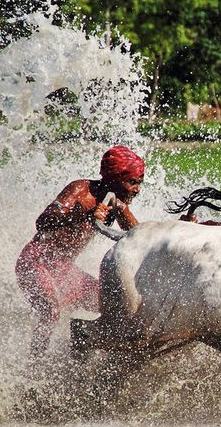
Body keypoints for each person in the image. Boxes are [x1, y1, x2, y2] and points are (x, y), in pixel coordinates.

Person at [15, 145, 145, 357]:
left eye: (139, 183)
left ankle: (80, 353)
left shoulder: (117, 204)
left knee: (113, 306)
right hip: (35, 262)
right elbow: (43, 221)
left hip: (65, 271)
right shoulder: (80, 191)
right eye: (132, 182)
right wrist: (86, 213)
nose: (137, 189)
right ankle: (34, 369)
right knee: (51, 311)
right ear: (113, 178)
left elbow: (139, 236)